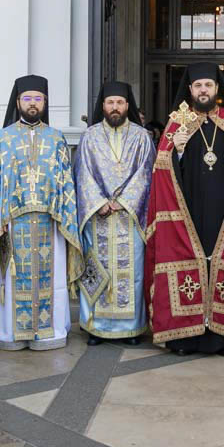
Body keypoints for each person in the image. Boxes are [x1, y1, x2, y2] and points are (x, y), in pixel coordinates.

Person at [145, 62, 224, 354]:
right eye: (198, 86)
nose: (204, 90)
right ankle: (184, 337)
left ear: (217, 89)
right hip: (187, 211)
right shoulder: (177, 122)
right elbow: (161, 173)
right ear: (190, 90)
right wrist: (175, 150)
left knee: (222, 263)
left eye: (209, 85)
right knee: (191, 264)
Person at [0, 75, 83, 351]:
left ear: (45, 102)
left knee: (51, 277)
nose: (33, 104)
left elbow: (66, 182)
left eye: (38, 99)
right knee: (13, 277)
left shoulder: (56, 138)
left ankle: (50, 332)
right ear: (18, 101)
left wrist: (64, 217)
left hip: (49, 221)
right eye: (27, 99)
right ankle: (11, 334)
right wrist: (0, 218)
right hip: (13, 223)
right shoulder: (4, 138)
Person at [76, 81, 155, 344]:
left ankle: (131, 327)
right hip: (98, 216)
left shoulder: (141, 137)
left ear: (127, 106)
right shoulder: (90, 136)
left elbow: (146, 173)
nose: (115, 107)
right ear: (102, 106)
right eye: (110, 103)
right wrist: (99, 202)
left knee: (132, 273)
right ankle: (95, 326)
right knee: (97, 270)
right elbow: (82, 174)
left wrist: (124, 202)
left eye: (120, 103)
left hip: (128, 218)